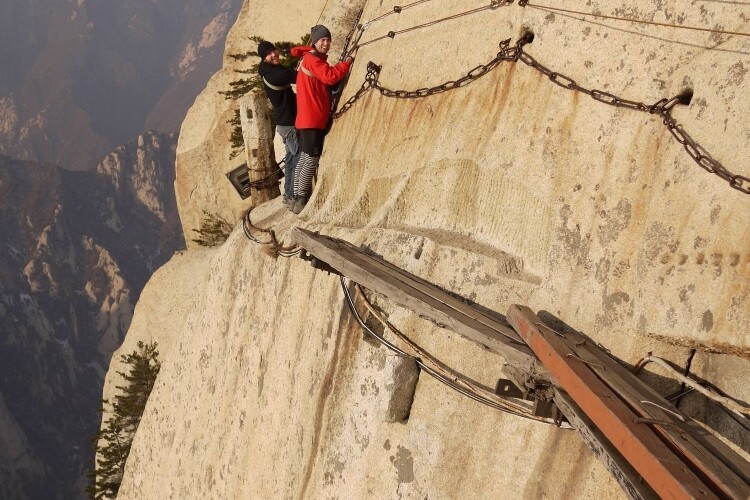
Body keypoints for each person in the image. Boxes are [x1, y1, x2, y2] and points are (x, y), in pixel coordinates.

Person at [289, 25, 357, 214]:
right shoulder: (313, 60)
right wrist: (348, 62)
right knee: (311, 158)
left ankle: (296, 197)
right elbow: (330, 77)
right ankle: (302, 197)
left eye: (328, 40)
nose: (326, 44)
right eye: (322, 40)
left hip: (304, 119)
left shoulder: (307, 58)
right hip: (313, 119)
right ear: (315, 42)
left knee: (303, 157)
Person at [257, 40, 299, 208]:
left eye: (274, 50)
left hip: (283, 125)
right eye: (269, 53)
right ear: (264, 58)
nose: (274, 54)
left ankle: (287, 196)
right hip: (289, 125)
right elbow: (298, 77)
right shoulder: (276, 74)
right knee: (298, 159)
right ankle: (295, 196)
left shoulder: (268, 71)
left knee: (289, 161)